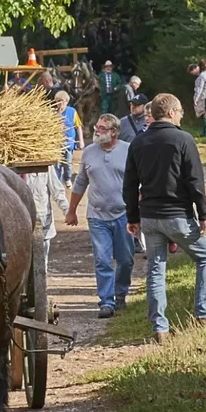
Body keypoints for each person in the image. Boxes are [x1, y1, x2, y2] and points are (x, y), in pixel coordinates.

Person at [123, 93, 206, 343]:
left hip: (150, 218)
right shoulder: (183, 139)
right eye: (181, 113)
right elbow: (195, 181)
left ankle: (160, 327)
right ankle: (205, 312)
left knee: (155, 269)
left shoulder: (138, 142)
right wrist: (203, 214)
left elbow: (130, 184)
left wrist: (133, 216)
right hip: (177, 215)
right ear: (173, 112)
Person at [66, 113, 135, 318]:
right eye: (97, 127)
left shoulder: (128, 150)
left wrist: (138, 210)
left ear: (114, 132)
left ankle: (120, 294)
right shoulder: (89, 152)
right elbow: (80, 182)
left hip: (123, 215)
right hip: (97, 216)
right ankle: (106, 301)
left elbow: (137, 182)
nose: (97, 130)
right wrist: (72, 211)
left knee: (125, 260)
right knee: (102, 260)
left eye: (102, 128)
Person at [54, 90, 80, 188]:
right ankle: (57, 181)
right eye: (57, 101)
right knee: (57, 164)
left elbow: (78, 126)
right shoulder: (53, 113)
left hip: (69, 142)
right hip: (57, 144)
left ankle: (67, 178)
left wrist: (80, 140)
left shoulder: (72, 112)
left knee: (68, 163)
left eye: (61, 101)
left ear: (66, 101)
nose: (59, 104)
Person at [189, 60, 206, 132]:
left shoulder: (202, 76)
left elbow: (199, 88)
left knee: (204, 114)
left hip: (204, 97)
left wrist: (196, 99)